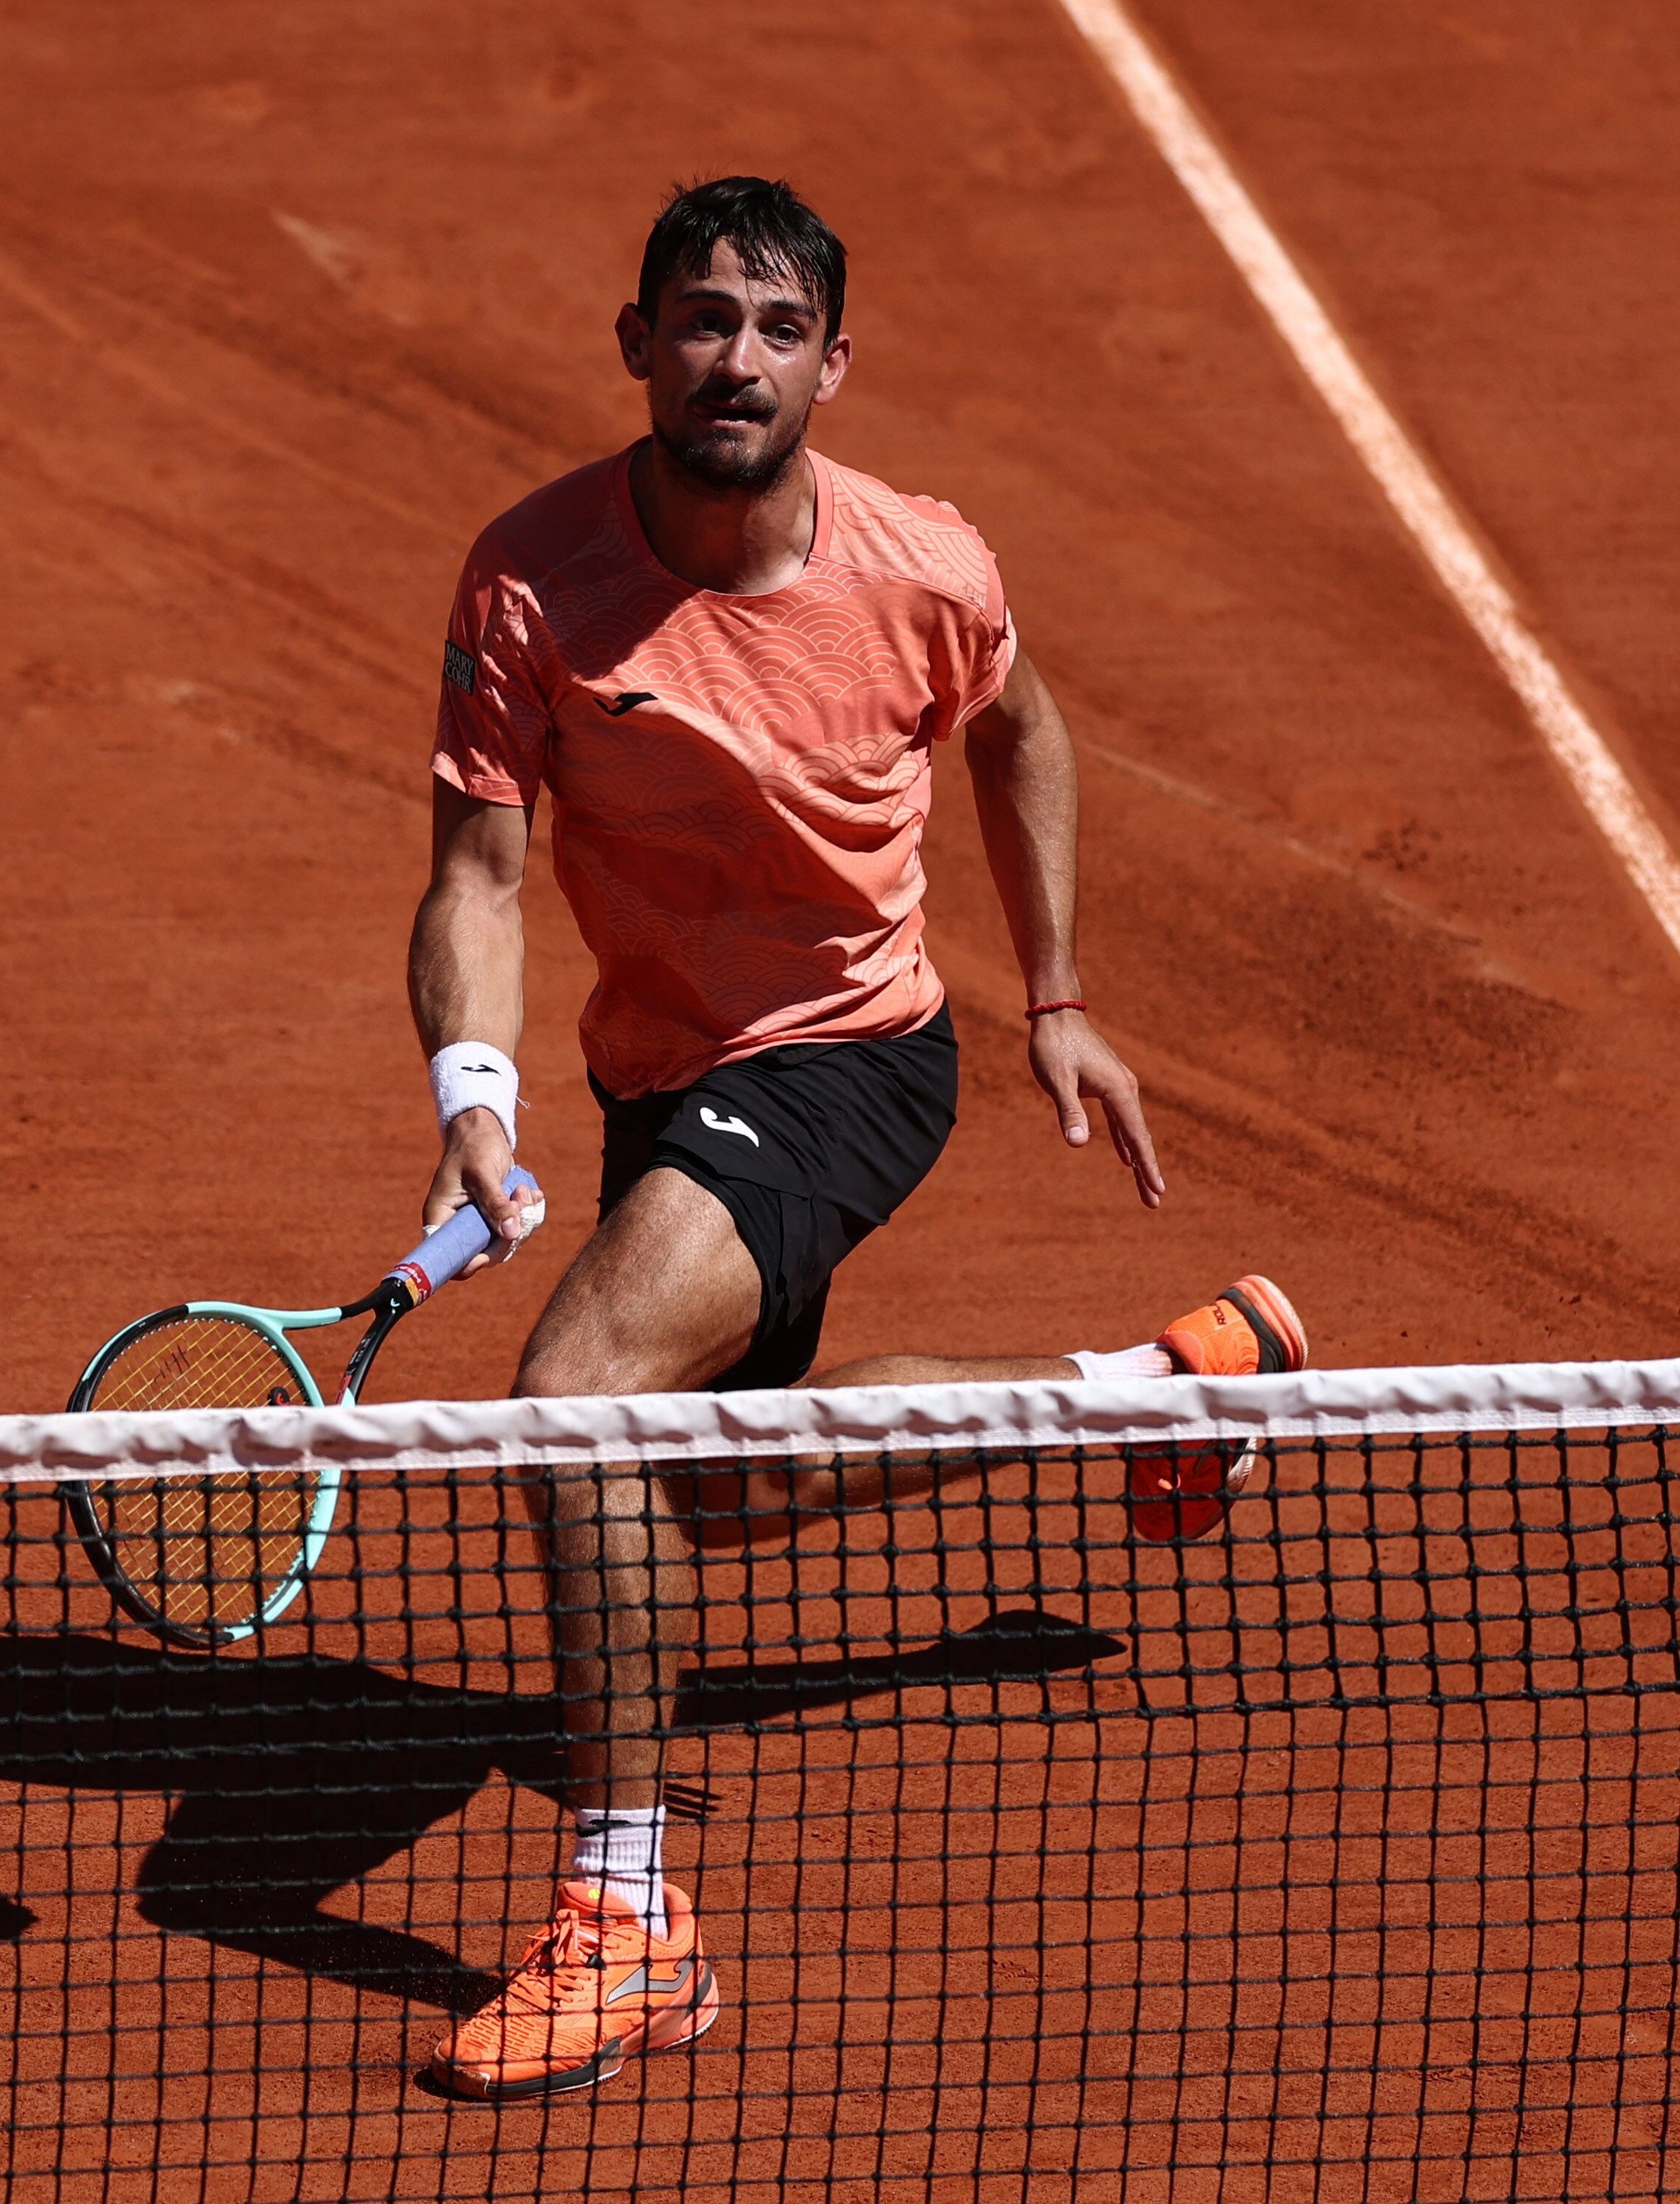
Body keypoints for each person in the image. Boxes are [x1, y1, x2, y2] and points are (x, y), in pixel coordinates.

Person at [405, 176, 1307, 2101]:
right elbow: (477, 871)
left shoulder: (922, 566)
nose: (735, 358)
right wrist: (474, 1094)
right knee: (701, 1498)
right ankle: (1155, 1392)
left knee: (575, 1399)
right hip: (658, 1075)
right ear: (637, 341)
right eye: (701, 319)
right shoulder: (530, 579)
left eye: (777, 328)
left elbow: (1023, 730)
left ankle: (627, 1917)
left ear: (831, 363)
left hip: (851, 1059)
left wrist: (1055, 996)